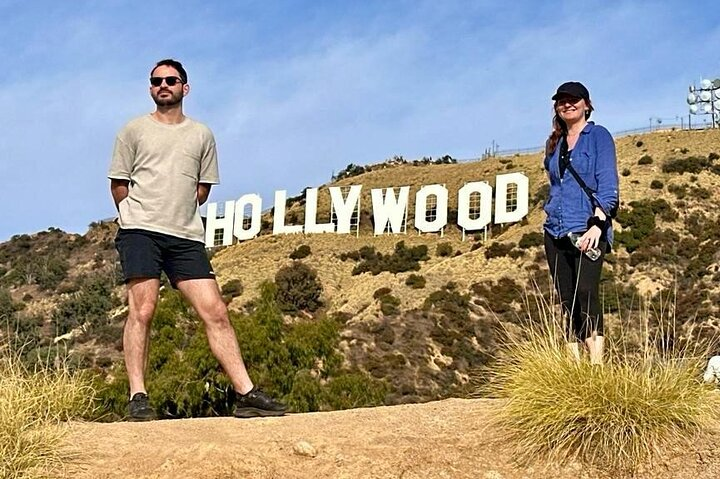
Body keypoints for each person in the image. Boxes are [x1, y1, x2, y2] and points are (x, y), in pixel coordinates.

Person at [108, 59, 286, 420]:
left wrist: (176, 213)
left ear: (184, 88)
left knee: (216, 311)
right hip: (140, 230)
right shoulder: (133, 130)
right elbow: (119, 184)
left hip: (186, 235)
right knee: (142, 310)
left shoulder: (201, 135)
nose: (163, 85)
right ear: (150, 88)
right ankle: (138, 397)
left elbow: (202, 189)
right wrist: (135, 217)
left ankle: (246, 393)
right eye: (156, 81)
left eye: (170, 80)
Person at [542, 81, 619, 365]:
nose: (567, 104)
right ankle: (573, 369)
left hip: (587, 228)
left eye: (574, 99)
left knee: (586, 292)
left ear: (586, 103)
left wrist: (598, 224)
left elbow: (607, 184)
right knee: (567, 299)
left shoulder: (597, 136)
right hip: (555, 230)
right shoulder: (555, 145)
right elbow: (556, 186)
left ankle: (597, 367)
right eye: (561, 100)